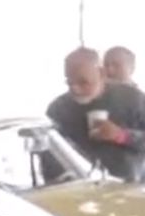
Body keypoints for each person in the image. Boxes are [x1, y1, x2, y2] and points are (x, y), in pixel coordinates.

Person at [48, 47, 145, 183]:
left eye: (83, 82)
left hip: (128, 188)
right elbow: (49, 156)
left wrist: (121, 136)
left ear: (102, 73)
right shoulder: (58, 109)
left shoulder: (133, 99)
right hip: (77, 190)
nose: (75, 89)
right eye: (70, 82)